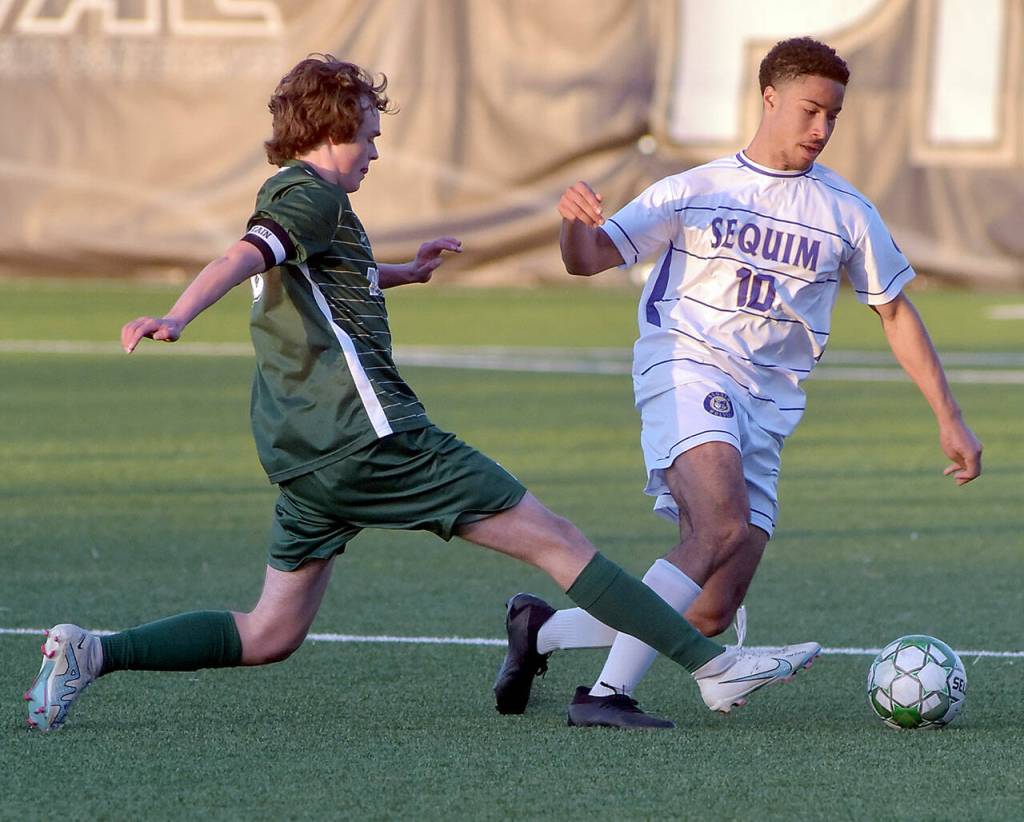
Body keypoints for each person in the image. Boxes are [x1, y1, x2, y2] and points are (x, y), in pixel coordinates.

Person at [25, 54, 820, 733]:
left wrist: (400, 272)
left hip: (304, 457)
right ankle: (713, 666)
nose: (375, 149)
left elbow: (317, 279)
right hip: (375, 437)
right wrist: (177, 313)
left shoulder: (323, 213)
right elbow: (245, 255)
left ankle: (93, 650)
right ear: (330, 128)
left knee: (270, 631)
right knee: (557, 539)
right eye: (368, 133)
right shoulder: (311, 195)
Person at [493, 37, 983, 729]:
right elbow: (590, 257)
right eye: (812, 109)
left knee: (712, 607)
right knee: (717, 524)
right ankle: (604, 698)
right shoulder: (697, 189)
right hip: (687, 367)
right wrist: (573, 226)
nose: (822, 128)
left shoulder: (846, 211)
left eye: (834, 116)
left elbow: (895, 310)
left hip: (770, 406)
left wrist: (949, 416)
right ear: (770, 97)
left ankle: (538, 633)